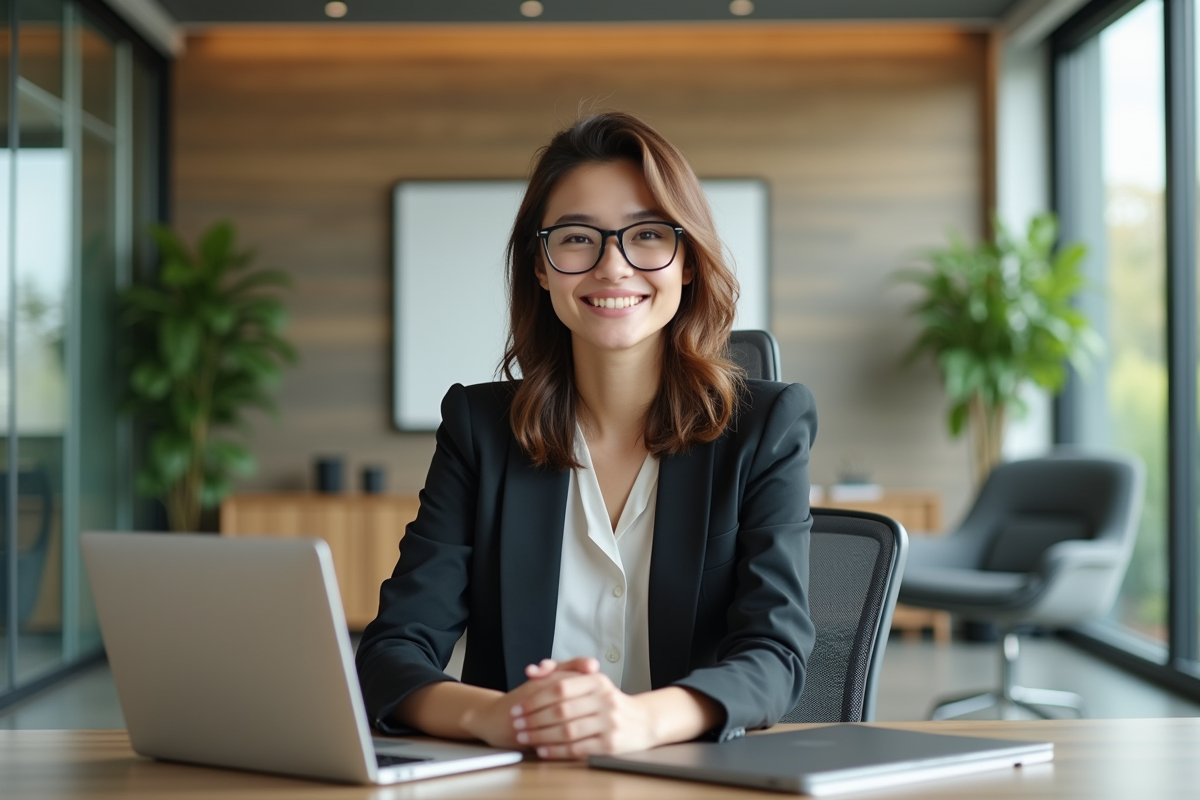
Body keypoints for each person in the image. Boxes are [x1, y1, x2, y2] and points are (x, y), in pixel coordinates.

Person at [356, 111, 816, 760]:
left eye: (648, 235)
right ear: (541, 267)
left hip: (695, 776)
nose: (613, 266)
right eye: (577, 238)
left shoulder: (766, 427)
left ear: (687, 261)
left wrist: (639, 721)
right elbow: (391, 653)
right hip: (523, 780)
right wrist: (498, 716)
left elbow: (775, 654)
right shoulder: (479, 429)